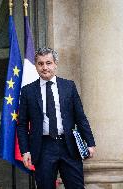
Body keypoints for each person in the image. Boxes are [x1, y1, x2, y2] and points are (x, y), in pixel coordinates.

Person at [17, 47, 96, 189]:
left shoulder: (68, 86)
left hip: (69, 145)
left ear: (55, 64)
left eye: (48, 63)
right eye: (40, 64)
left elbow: (80, 117)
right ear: (36, 66)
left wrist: (90, 142)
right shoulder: (28, 91)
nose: (45, 67)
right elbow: (22, 124)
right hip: (43, 147)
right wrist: (25, 150)